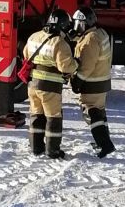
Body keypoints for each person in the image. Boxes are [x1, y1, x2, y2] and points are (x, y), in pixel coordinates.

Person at [23, 9, 77, 159]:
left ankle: (36, 148)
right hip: (50, 87)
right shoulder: (59, 42)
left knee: (36, 115)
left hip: (33, 85)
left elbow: (26, 55)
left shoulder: (34, 36)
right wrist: (76, 64)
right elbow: (65, 66)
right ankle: (52, 151)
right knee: (53, 118)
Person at [70, 6, 115, 158]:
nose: (76, 27)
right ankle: (104, 141)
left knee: (91, 113)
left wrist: (77, 81)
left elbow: (87, 64)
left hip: (92, 83)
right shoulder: (99, 33)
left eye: (78, 24)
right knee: (100, 113)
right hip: (101, 81)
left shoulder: (90, 39)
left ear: (84, 23)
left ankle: (104, 145)